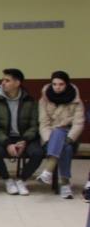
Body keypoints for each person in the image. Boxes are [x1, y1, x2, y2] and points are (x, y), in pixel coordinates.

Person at [0, 68, 43, 196]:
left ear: (17, 83)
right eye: (3, 80)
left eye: (7, 80)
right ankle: (7, 180)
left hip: (25, 138)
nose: (3, 83)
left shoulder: (30, 101)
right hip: (4, 138)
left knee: (38, 153)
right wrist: (7, 143)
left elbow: (34, 125)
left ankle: (22, 180)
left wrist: (24, 141)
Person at [36, 71, 85, 199]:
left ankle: (48, 171)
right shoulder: (44, 100)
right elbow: (43, 122)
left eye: (61, 84)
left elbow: (78, 123)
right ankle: (65, 184)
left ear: (67, 84)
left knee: (66, 142)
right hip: (50, 138)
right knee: (63, 145)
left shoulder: (76, 101)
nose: (57, 87)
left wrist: (70, 138)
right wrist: (47, 139)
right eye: (54, 84)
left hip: (70, 136)